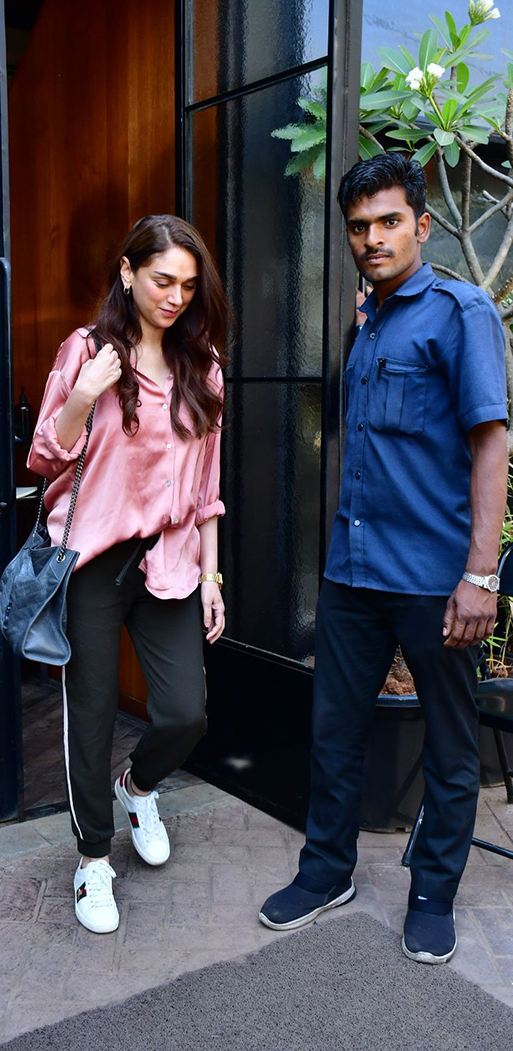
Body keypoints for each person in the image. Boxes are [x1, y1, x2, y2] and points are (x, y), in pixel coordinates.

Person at [259, 154, 508, 964]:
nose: (373, 237)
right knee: (333, 732)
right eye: (359, 226)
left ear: (423, 225)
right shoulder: (367, 322)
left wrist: (480, 573)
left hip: (435, 580)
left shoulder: (460, 312)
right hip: (352, 571)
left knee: (448, 743)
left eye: (389, 221)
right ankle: (326, 868)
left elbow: (489, 442)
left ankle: (433, 892)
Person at [27, 215, 232, 934]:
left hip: (171, 556)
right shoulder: (86, 350)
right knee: (88, 711)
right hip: (92, 558)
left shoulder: (201, 366)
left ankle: (138, 785)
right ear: (127, 273)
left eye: (186, 283)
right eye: (161, 280)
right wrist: (84, 392)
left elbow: (206, 486)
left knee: (184, 711)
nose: (175, 296)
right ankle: (92, 860)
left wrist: (211, 576)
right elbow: (46, 457)